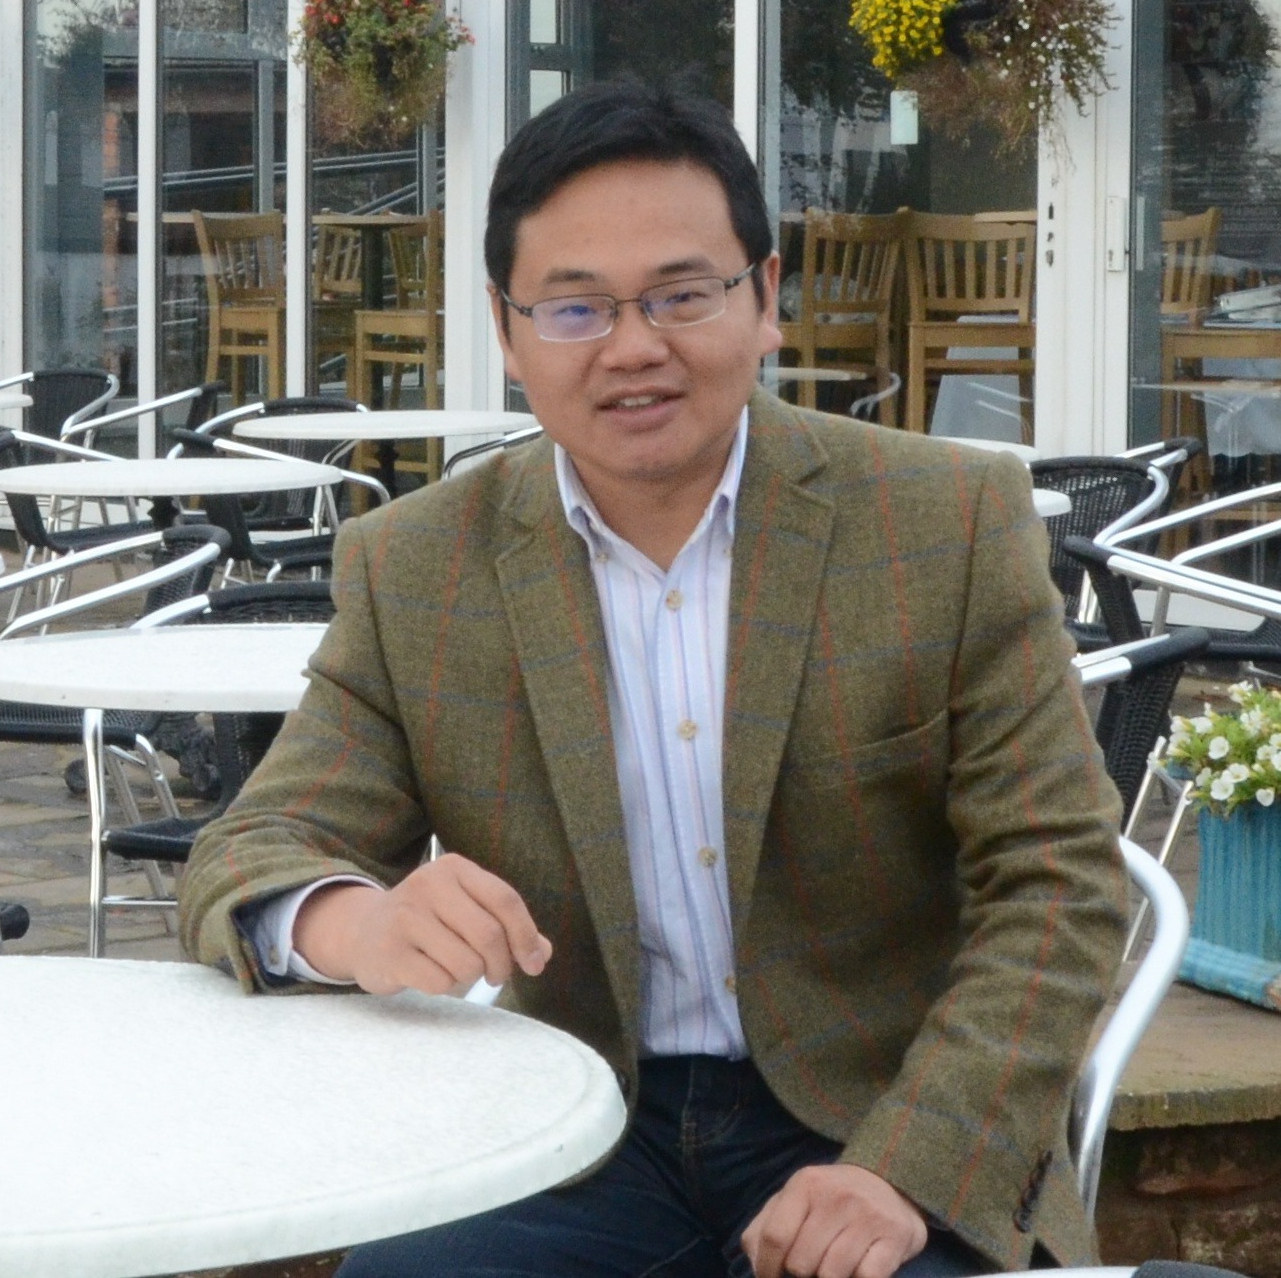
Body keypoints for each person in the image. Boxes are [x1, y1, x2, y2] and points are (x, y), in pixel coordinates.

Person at [180, 79, 1127, 1278]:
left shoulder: (944, 522)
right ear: (508, 331)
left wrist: (903, 1167)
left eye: (682, 294)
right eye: (574, 307)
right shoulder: (418, 566)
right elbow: (250, 847)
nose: (633, 347)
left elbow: (1057, 884)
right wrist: (351, 919)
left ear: (765, 298)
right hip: (576, 1118)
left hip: (869, 1114)